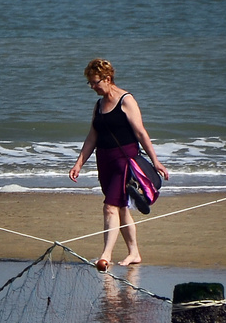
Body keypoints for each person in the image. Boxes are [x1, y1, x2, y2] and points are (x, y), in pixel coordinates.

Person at [67, 58, 169, 269]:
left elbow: (141, 132)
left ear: (108, 78)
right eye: (90, 83)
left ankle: (105, 255)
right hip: (104, 161)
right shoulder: (99, 104)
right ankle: (134, 253)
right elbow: (92, 136)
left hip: (124, 160)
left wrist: (155, 161)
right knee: (121, 209)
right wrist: (78, 163)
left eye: (96, 82)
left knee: (110, 207)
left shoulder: (126, 100)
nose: (93, 87)